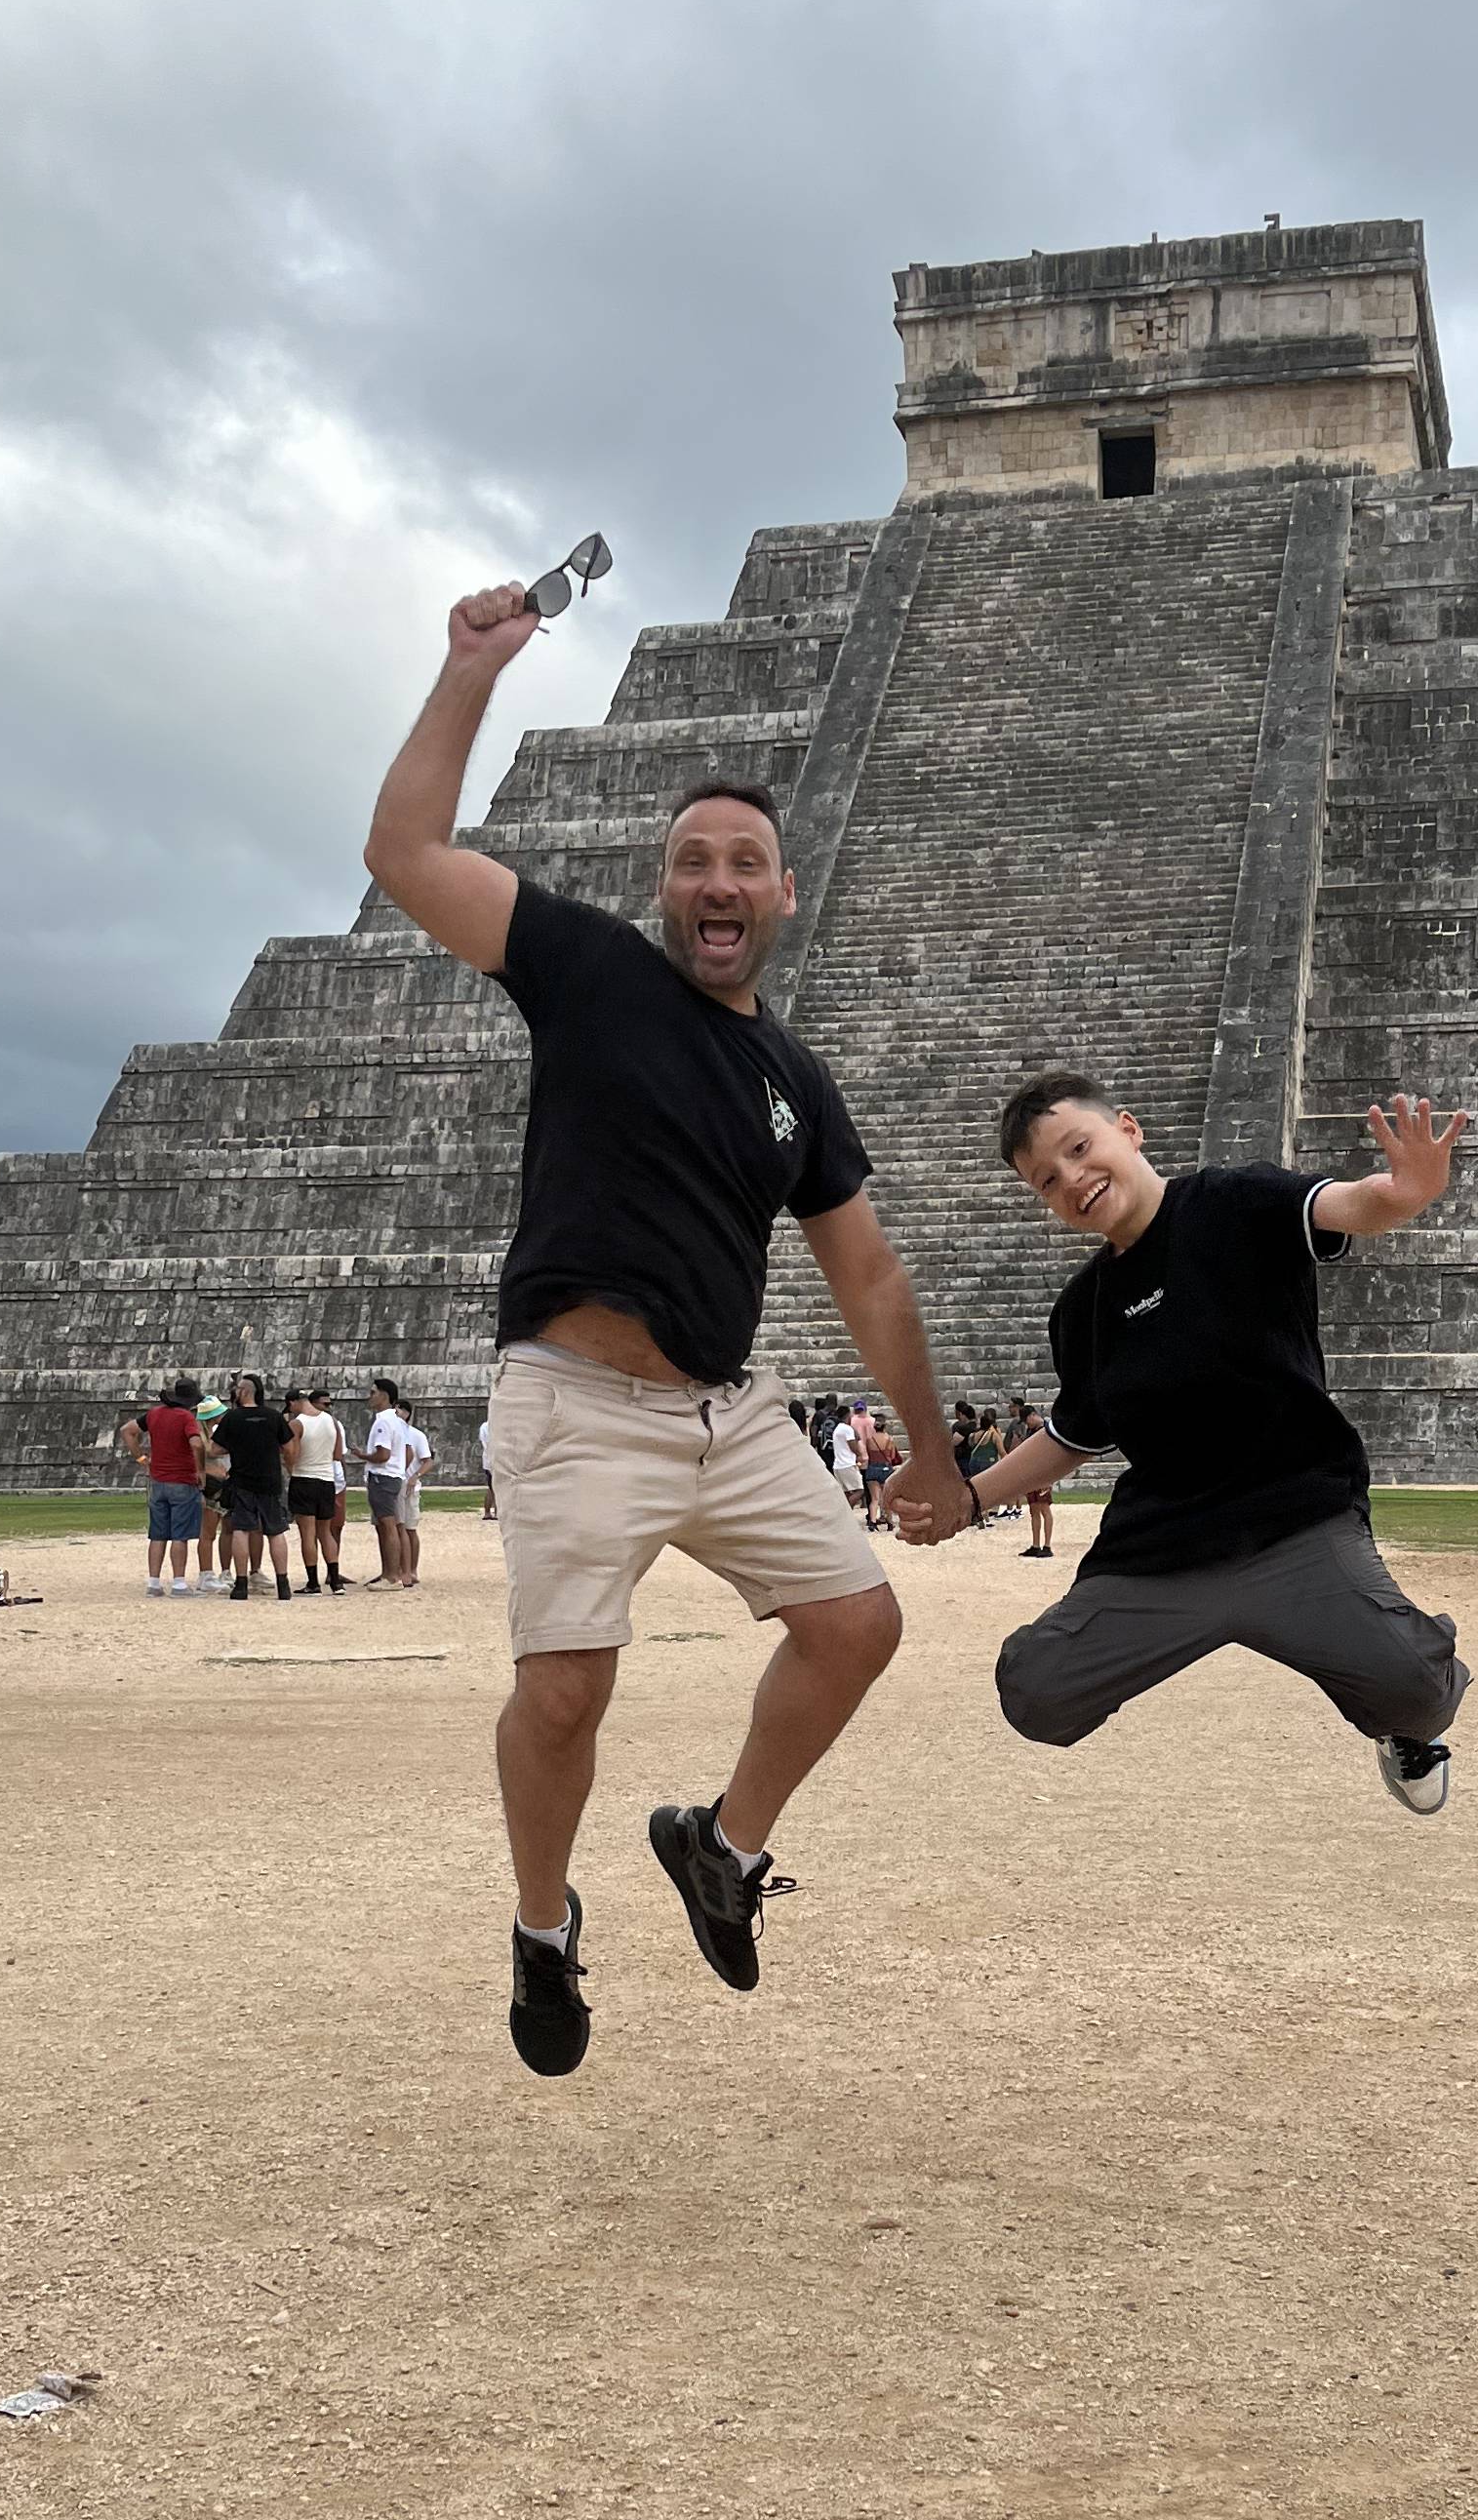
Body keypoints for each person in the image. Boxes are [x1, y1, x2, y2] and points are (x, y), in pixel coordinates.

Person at [365, 574, 965, 2076]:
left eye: (745, 861)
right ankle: (541, 1924)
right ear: (664, 887)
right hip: (575, 1397)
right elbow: (406, 854)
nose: (718, 879)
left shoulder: (797, 1082)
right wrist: (471, 670)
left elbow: (870, 1275)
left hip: (723, 1410)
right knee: (566, 1689)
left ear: (783, 895)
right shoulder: (587, 970)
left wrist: (933, 1448)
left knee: (858, 1623)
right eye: (693, 858)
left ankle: (721, 1846)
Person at [899, 1073, 1473, 1817]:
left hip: (1297, 1521)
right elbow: (1073, 1435)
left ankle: (1404, 1725)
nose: (1072, 1178)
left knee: (1416, 1689)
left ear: (1128, 1129)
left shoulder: (1235, 1201)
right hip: (1164, 1550)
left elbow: (1347, 1205)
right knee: (1036, 1691)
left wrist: (1403, 1194)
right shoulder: (1082, 1309)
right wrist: (969, 1497)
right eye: (1047, 1180)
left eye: (1080, 1147)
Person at [116, 1379, 208, 1594]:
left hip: (158, 1480)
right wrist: (201, 1470)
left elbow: (127, 1431)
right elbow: (196, 1444)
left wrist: (141, 1458)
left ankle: (154, 1583)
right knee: (180, 1535)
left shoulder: (154, 1414)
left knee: (157, 1534)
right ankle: (179, 1583)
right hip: (182, 1480)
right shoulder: (185, 1417)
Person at [212, 1374, 297, 1600]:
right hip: (269, 1479)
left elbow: (214, 1449)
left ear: (244, 1391)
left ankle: (241, 1583)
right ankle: (283, 1583)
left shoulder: (232, 1418)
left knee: (241, 1529)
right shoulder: (273, 1416)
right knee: (275, 1531)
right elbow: (289, 1447)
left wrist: (236, 1446)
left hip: (242, 1480)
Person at [286, 1386, 349, 1591]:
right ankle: (335, 1580)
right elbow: (337, 1454)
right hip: (326, 1479)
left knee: (308, 1533)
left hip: (303, 1477)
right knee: (325, 1532)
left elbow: (292, 1455)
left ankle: (313, 1582)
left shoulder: (297, 1424)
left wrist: (288, 1464)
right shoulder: (331, 1421)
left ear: (294, 1403)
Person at [362, 1379, 417, 1586]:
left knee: (388, 1525)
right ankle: (389, 1572)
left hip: (382, 1476)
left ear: (384, 1395)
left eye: (373, 1392)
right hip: (393, 1476)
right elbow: (407, 1452)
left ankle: (392, 1575)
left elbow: (383, 1455)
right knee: (387, 1525)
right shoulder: (398, 1421)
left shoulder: (383, 1422)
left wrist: (362, 1455)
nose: (370, 1396)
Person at [193, 1388, 232, 1582]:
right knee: (208, 1532)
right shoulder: (201, 1438)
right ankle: (206, 1572)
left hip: (223, 1483)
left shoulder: (215, 1433)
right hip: (211, 1485)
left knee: (227, 1530)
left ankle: (225, 1571)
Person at [1010, 1397, 1057, 1560]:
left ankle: (1047, 1545)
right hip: (1033, 1475)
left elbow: (1050, 1456)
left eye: (1026, 1420)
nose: (1026, 1424)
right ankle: (1036, 1545)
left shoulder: (1046, 1430)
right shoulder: (1033, 1431)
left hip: (1043, 1475)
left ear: (1032, 1416)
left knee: (1044, 1509)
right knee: (1034, 1509)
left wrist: (1049, 1478)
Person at [395, 1412, 434, 1578]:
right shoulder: (391, 1432)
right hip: (394, 1485)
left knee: (410, 1528)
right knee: (396, 1529)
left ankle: (412, 1570)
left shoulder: (416, 1435)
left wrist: (415, 1476)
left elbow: (428, 1460)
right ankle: (397, 1569)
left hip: (410, 1487)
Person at [859, 1407, 899, 1532]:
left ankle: (872, 1522)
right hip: (885, 1468)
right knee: (886, 1498)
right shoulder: (889, 1439)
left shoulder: (870, 1440)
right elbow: (892, 1456)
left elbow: (868, 1454)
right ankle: (889, 1521)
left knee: (874, 1499)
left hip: (872, 1468)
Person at [829, 1403, 866, 1516]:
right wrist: (859, 1455)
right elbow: (852, 1445)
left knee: (846, 1493)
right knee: (859, 1490)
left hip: (838, 1465)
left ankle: (843, 1514)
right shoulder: (847, 1429)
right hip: (847, 1464)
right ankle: (846, 1514)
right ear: (847, 1415)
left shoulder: (837, 1429)